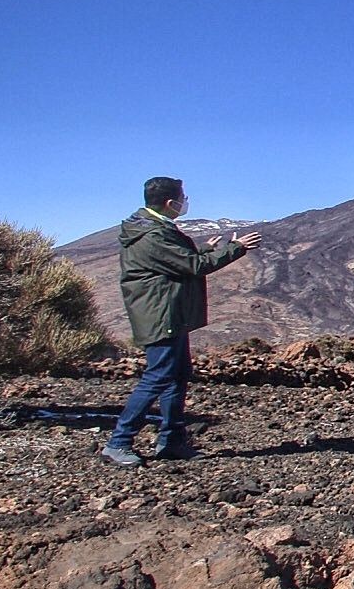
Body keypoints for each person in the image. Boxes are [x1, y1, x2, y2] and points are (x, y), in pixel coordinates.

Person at [101, 177, 261, 466]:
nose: (185, 202)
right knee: (159, 375)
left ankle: (171, 440)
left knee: (177, 374)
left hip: (169, 310)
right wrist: (236, 247)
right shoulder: (152, 234)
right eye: (182, 197)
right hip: (160, 312)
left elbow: (176, 261)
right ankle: (119, 442)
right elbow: (192, 266)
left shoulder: (153, 228)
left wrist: (205, 250)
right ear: (170, 202)